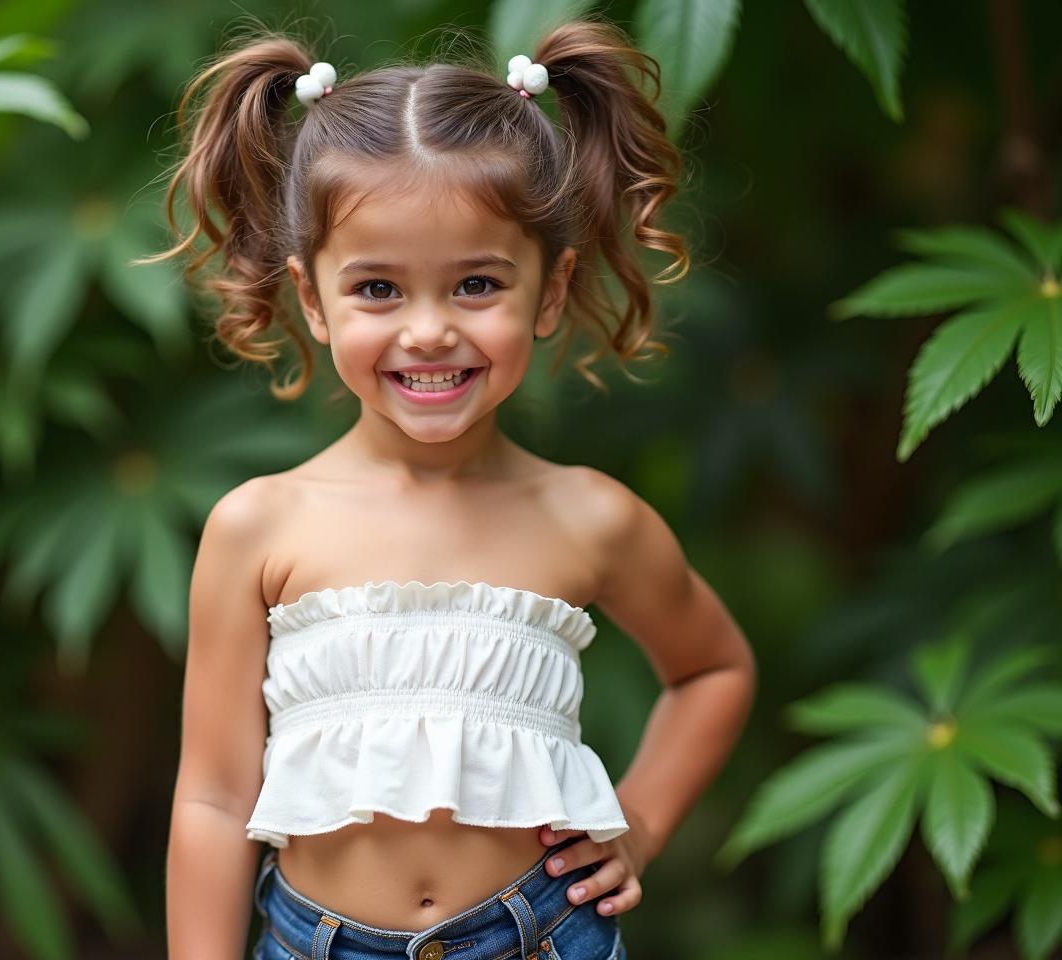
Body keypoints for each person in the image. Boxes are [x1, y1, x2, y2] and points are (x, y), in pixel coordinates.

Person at [149, 13, 757, 960]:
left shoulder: (588, 516)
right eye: (379, 290)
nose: (429, 331)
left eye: (476, 284)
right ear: (311, 298)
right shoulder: (260, 528)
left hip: (546, 935)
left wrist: (637, 819)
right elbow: (215, 795)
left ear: (549, 292)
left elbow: (713, 669)